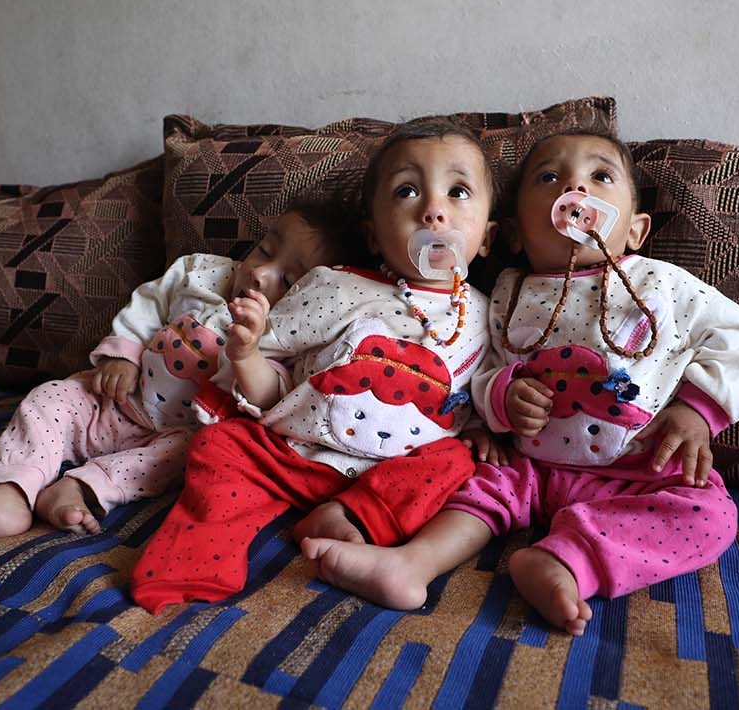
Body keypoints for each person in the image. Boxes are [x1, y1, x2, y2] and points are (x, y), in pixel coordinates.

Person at [302, 130, 739, 636]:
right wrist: (503, 397)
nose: (576, 189)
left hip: (639, 464)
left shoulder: (666, 285)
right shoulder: (506, 292)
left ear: (634, 229)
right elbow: (481, 371)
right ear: (516, 234)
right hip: (528, 467)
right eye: (550, 178)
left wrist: (698, 412)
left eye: (600, 177)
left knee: (711, 515)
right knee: (470, 482)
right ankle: (413, 565)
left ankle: (567, 561)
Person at [129, 118, 500, 613]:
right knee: (222, 447)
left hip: (388, 472)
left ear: (489, 238)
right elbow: (272, 384)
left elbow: (484, 389)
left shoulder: (489, 312)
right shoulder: (335, 286)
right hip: (291, 453)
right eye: (408, 191)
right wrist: (247, 355)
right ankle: (192, 565)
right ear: (372, 235)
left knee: (457, 464)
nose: (433, 211)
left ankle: (349, 517)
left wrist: (484, 427)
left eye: (457, 192)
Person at [0, 201, 354, 550]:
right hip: (114, 399)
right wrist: (123, 355)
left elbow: (270, 396)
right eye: (265, 251)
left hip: (179, 432)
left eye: (286, 279)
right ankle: (7, 494)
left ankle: (79, 487)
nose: (258, 273)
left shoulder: (287, 338)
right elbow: (148, 305)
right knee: (48, 398)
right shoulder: (200, 272)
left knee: (180, 460)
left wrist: (248, 352)